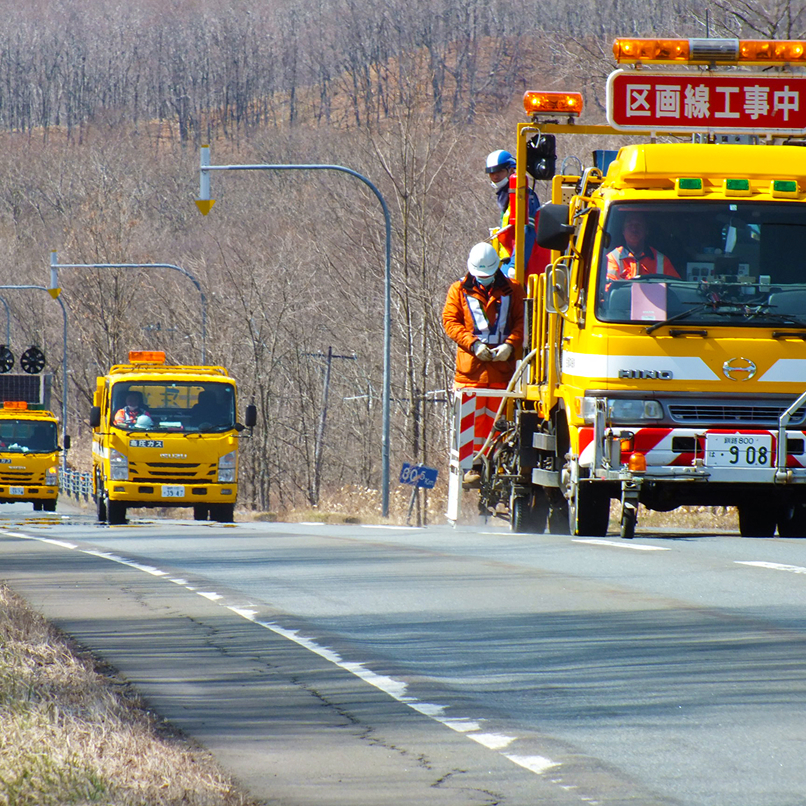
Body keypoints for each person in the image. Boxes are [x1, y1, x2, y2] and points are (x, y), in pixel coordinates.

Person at [443, 242, 525, 485]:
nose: (485, 280)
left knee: (499, 424)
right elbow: (450, 321)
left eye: (488, 276)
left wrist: (510, 345)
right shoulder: (458, 290)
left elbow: (523, 322)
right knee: (472, 424)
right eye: (481, 276)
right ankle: (473, 468)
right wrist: (473, 344)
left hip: (502, 372)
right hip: (471, 373)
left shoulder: (514, 290)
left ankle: (498, 467)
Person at [485, 149, 542, 279]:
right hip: (506, 260)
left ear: (511, 170)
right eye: (491, 172)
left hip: (522, 263)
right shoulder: (507, 196)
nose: (495, 176)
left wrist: (515, 265)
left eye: (499, 171)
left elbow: (528, 231)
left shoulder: (524, 196)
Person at [606, 211, 680, 282]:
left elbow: (676, 288)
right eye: (629, 225)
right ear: (623, 231)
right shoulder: (612, 258)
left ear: (646, 231)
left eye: (638, 225)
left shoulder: (661, 261)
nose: (634, 229)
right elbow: (607, 289)